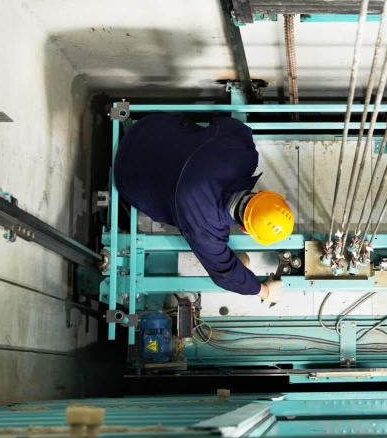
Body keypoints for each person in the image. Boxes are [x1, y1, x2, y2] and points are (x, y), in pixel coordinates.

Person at [113, 113, 293, 302]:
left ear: (262, 195)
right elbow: (226, 275)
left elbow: (222, 122)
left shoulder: (243, 153)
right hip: (128, 174)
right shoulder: (207, 230)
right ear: (243, 229)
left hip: (150, 128)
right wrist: (265, 291)